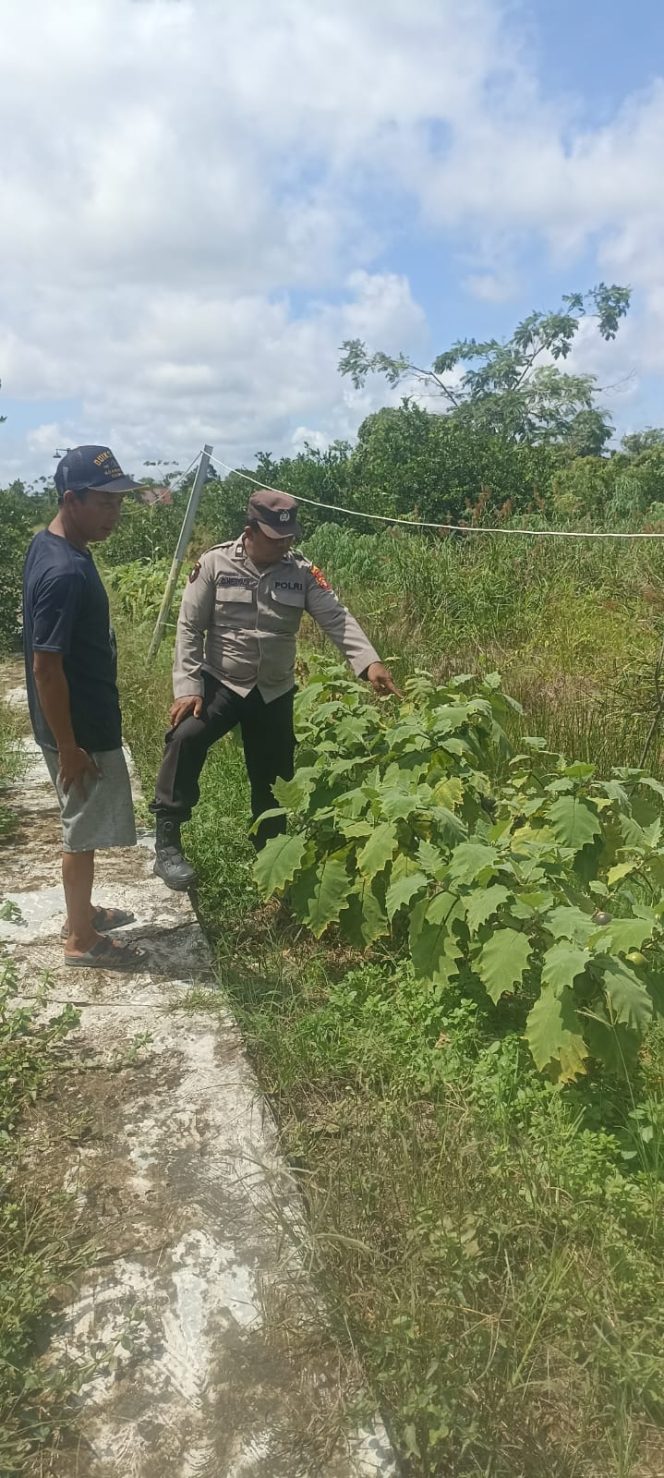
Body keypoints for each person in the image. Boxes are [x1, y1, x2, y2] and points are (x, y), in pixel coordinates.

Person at [151, 490, 400, 889]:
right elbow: (188, 627)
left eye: (289, 537)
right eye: (275, 536)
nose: (285, 543)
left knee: (273, 777)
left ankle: (271, 862)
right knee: (186, 737)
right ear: (250, 530)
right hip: (221, 682)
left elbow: (336, 616)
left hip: (273, 689)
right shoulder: (215, 563)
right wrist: (187, 687)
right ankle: (167, 844)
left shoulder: (300, 571)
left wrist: (368, 662)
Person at [23, 445, 148, 970]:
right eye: (104, 504)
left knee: (82, 821)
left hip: (74, 721)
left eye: (119, 503)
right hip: (79, 728)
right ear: (71, 500)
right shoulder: (65, 573)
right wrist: (70, 747)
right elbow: (45, 667)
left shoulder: (50, 545)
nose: (114, 515)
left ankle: (85, 912)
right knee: (82, 828)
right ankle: (81, 939)